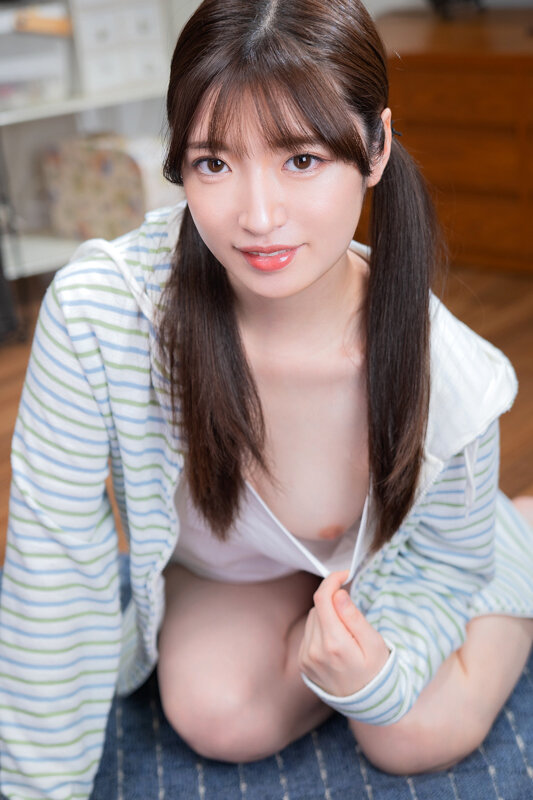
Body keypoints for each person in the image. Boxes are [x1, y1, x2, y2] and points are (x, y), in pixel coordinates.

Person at [1, 0, 533, 797]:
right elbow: (57, 569)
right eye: (214, 163)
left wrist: (378, 681)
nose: (256, 217)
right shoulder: (100, 316)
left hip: (414, 554)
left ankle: (521, 529)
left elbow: (444, 565)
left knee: (409, 732)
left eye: (301, 159)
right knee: (216, 714)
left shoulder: (447, 369)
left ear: (375, 147)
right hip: (239, 572)